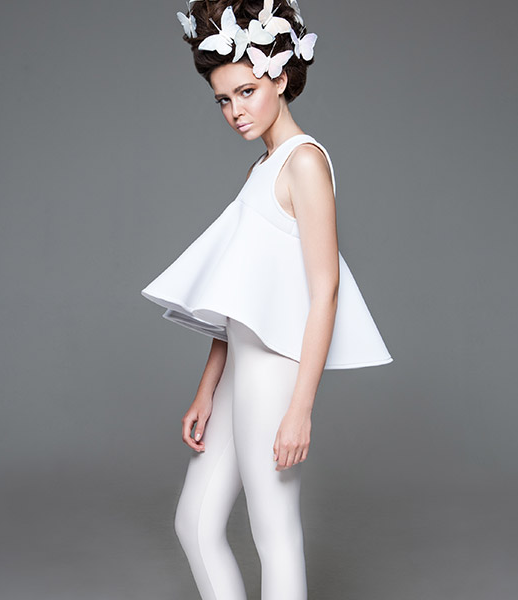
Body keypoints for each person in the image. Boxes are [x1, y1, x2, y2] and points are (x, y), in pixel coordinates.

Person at [141, 1, 393, 598]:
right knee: (195, 523)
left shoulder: (305, 162)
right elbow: (238, 295)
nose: (235, 111)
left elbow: (325, 291)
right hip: (240, 370)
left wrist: (301, 408)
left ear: (280, 77)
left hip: (278, 372)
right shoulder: (263, 167)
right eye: (223, 100)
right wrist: (207, 388)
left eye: (247, 91)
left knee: (273, 531)